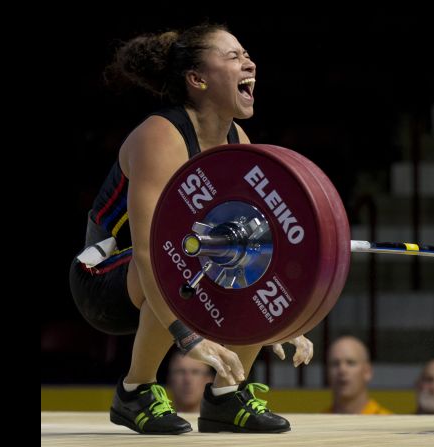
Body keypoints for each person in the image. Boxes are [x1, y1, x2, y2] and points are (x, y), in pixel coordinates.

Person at [68, 23, 314, 435]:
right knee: (182, 256)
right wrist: (187, 337)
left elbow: (252, 241)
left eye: (246, 53)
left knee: (249, 250)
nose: (248, 62)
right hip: (104, 278)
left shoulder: (239, 141)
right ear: (197, 80)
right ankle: (135, 390)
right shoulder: (161, 135)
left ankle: (226, 396)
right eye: (233, 56)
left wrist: (280, 320)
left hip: (177, 264)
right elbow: (148, 251)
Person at [325, 336, 392, 414]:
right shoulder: (319, 423)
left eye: (351, 363)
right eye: (335, 364)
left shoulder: (387, 422)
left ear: (367, 371)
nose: (342, 370)